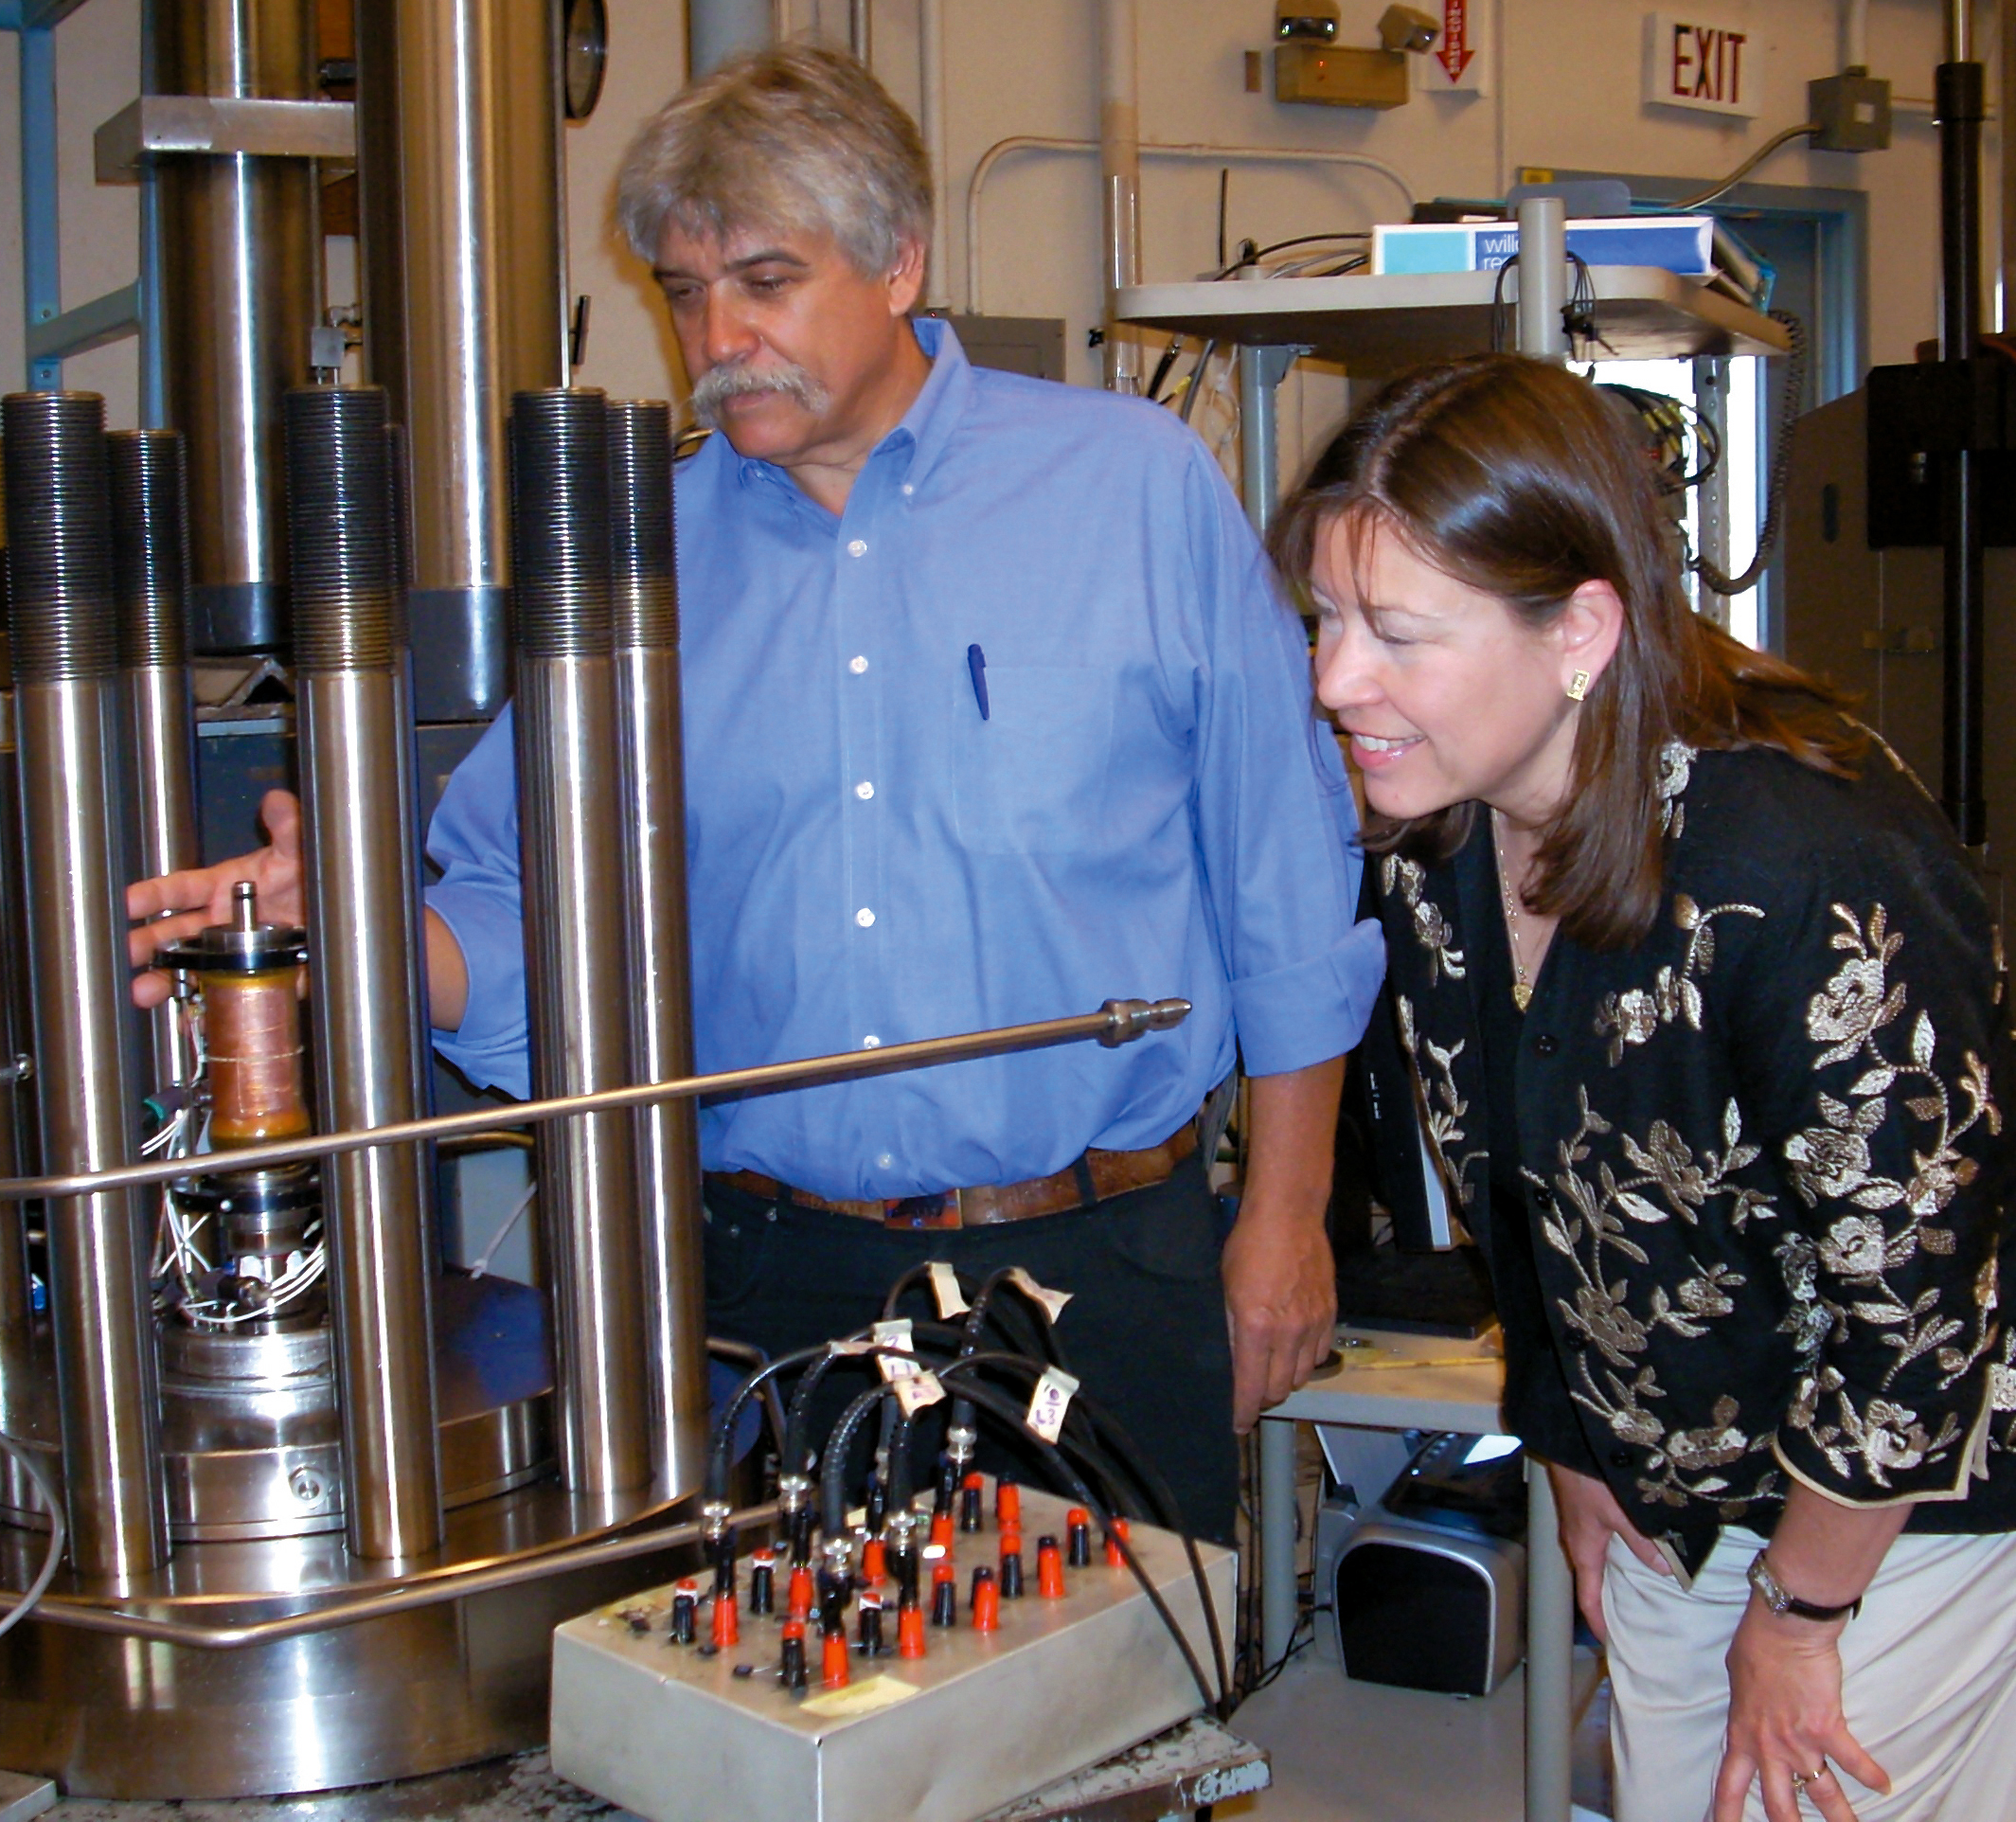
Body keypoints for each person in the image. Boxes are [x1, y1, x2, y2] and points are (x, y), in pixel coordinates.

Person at [128, 44, 1382, 1544]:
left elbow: (1283, 880)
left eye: (765, 282)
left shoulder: (1133, 489)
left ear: (898, 260)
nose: (717, 340)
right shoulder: (633, 560)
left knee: (1118, 1684)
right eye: (682, 292)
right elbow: (522, 904)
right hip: (763, 1289)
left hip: (1099, 1267)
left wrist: (1286, 1216)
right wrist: (355, 925)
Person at [1290, 352, 2016, 1822]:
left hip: (1895, 1507)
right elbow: (1522, 1191)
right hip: (1671, 1484)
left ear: (1579, 631)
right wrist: (1568, 1439)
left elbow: (1919, 1308)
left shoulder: (1796, 861)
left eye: (1397, 634)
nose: (1333, 681)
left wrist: (1797, 1619)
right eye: (1323, 618)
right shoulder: (1439, 837)